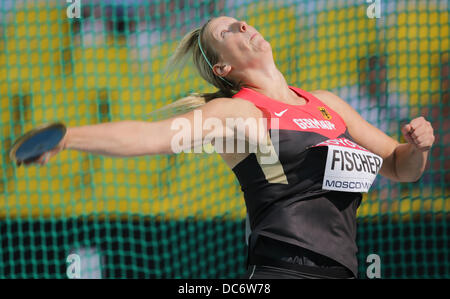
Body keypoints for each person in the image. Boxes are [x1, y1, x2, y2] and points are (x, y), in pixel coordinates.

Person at [26, 16, 435, 279]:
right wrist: (68, 137)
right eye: (227, 32)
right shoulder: (238, 113)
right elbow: (152, 137)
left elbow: (401, 167)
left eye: (240, 23)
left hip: (342, 271)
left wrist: (418, 146)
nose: (242, 27)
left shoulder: (329, 103)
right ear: (222, 68)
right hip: (284, 272)